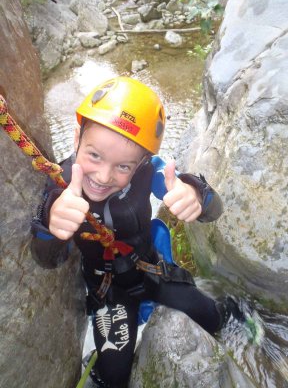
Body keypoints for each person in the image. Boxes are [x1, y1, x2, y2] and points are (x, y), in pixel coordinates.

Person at [31, 76, 236, 387]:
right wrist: (52, 225)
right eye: (94, 155)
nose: (103, 176)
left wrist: (196, 195)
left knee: (212, 316)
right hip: (107, 289)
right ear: (75, 140)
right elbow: (46, 259)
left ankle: (234, 315)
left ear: (141, 163)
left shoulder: (149, 172)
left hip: (151, 270)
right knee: (114, 375)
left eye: (123, 166)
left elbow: (211, 206)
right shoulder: (62, 185)